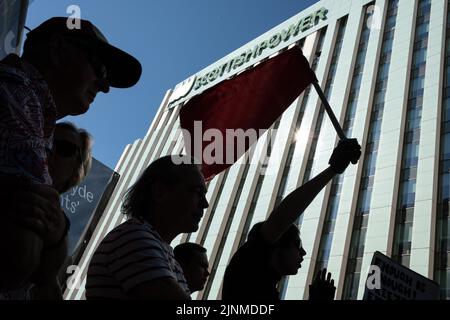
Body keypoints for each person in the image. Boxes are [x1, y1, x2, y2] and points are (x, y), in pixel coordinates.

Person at [0, 16, 141, 297]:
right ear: (58, 49)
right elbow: (19, 254)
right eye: (99, 67)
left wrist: (55, 233)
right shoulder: (17, 94)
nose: (104, 86)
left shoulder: (34, 111)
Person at [222, 138, 361, 300]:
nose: (303, 252)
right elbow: (280, 219)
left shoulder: (268, 287)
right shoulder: (248, 268)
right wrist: (333, 170)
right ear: (276, 242)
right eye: (297, 244)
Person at [86, 155, 209, 300]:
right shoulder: (134, 238)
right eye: (198, 192)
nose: (205, 204)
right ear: (159, 193)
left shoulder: (161, 251)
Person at [0, 122, 93, 299]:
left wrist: (56, 239)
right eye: (45, 140)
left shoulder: (57, 227)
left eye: (64, 148)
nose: (49, 149)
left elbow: (47, 283)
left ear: (76, 171)